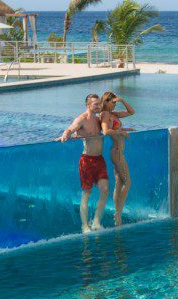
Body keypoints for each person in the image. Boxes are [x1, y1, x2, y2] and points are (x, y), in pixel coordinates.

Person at [57, 93, 110, 232]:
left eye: (99, 103)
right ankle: (85, 226)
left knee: (105, 189)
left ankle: (96, 222)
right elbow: (70, 128)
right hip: (86, 161)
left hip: (100, 159)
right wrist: (65, 135)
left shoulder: (100, 120)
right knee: (87, 193)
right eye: (96, 104)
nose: (99, 106)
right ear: (88, 105)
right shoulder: (82, 119)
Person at [100, 92, 135, 226]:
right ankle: (118, 214)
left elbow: (131, 112)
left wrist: (122, 100)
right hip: (116, 151)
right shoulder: (105, 114)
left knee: (119, 183)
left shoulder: (114, 114)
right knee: (128, 182)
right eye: (112, 102)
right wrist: (121, 132)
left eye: (115, 103)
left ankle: (117, 212)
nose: (114, 105)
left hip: (119, 152)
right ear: (106, 102)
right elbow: (105, 131)